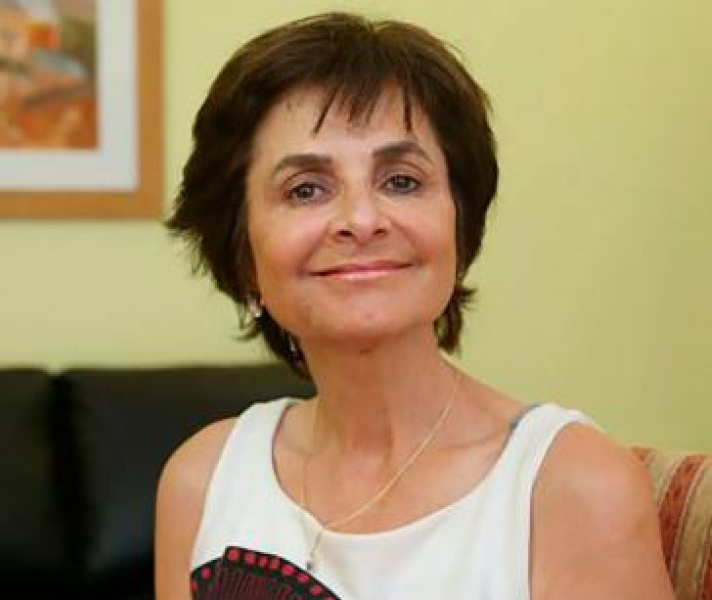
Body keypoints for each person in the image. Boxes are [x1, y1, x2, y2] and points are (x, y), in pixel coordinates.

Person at [156, 12, 674, 600]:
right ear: (243, 254)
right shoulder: (204, 481)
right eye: (306, 189)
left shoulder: (572, 486)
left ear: (459, 223)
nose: (361, 220)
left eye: (401, 181)